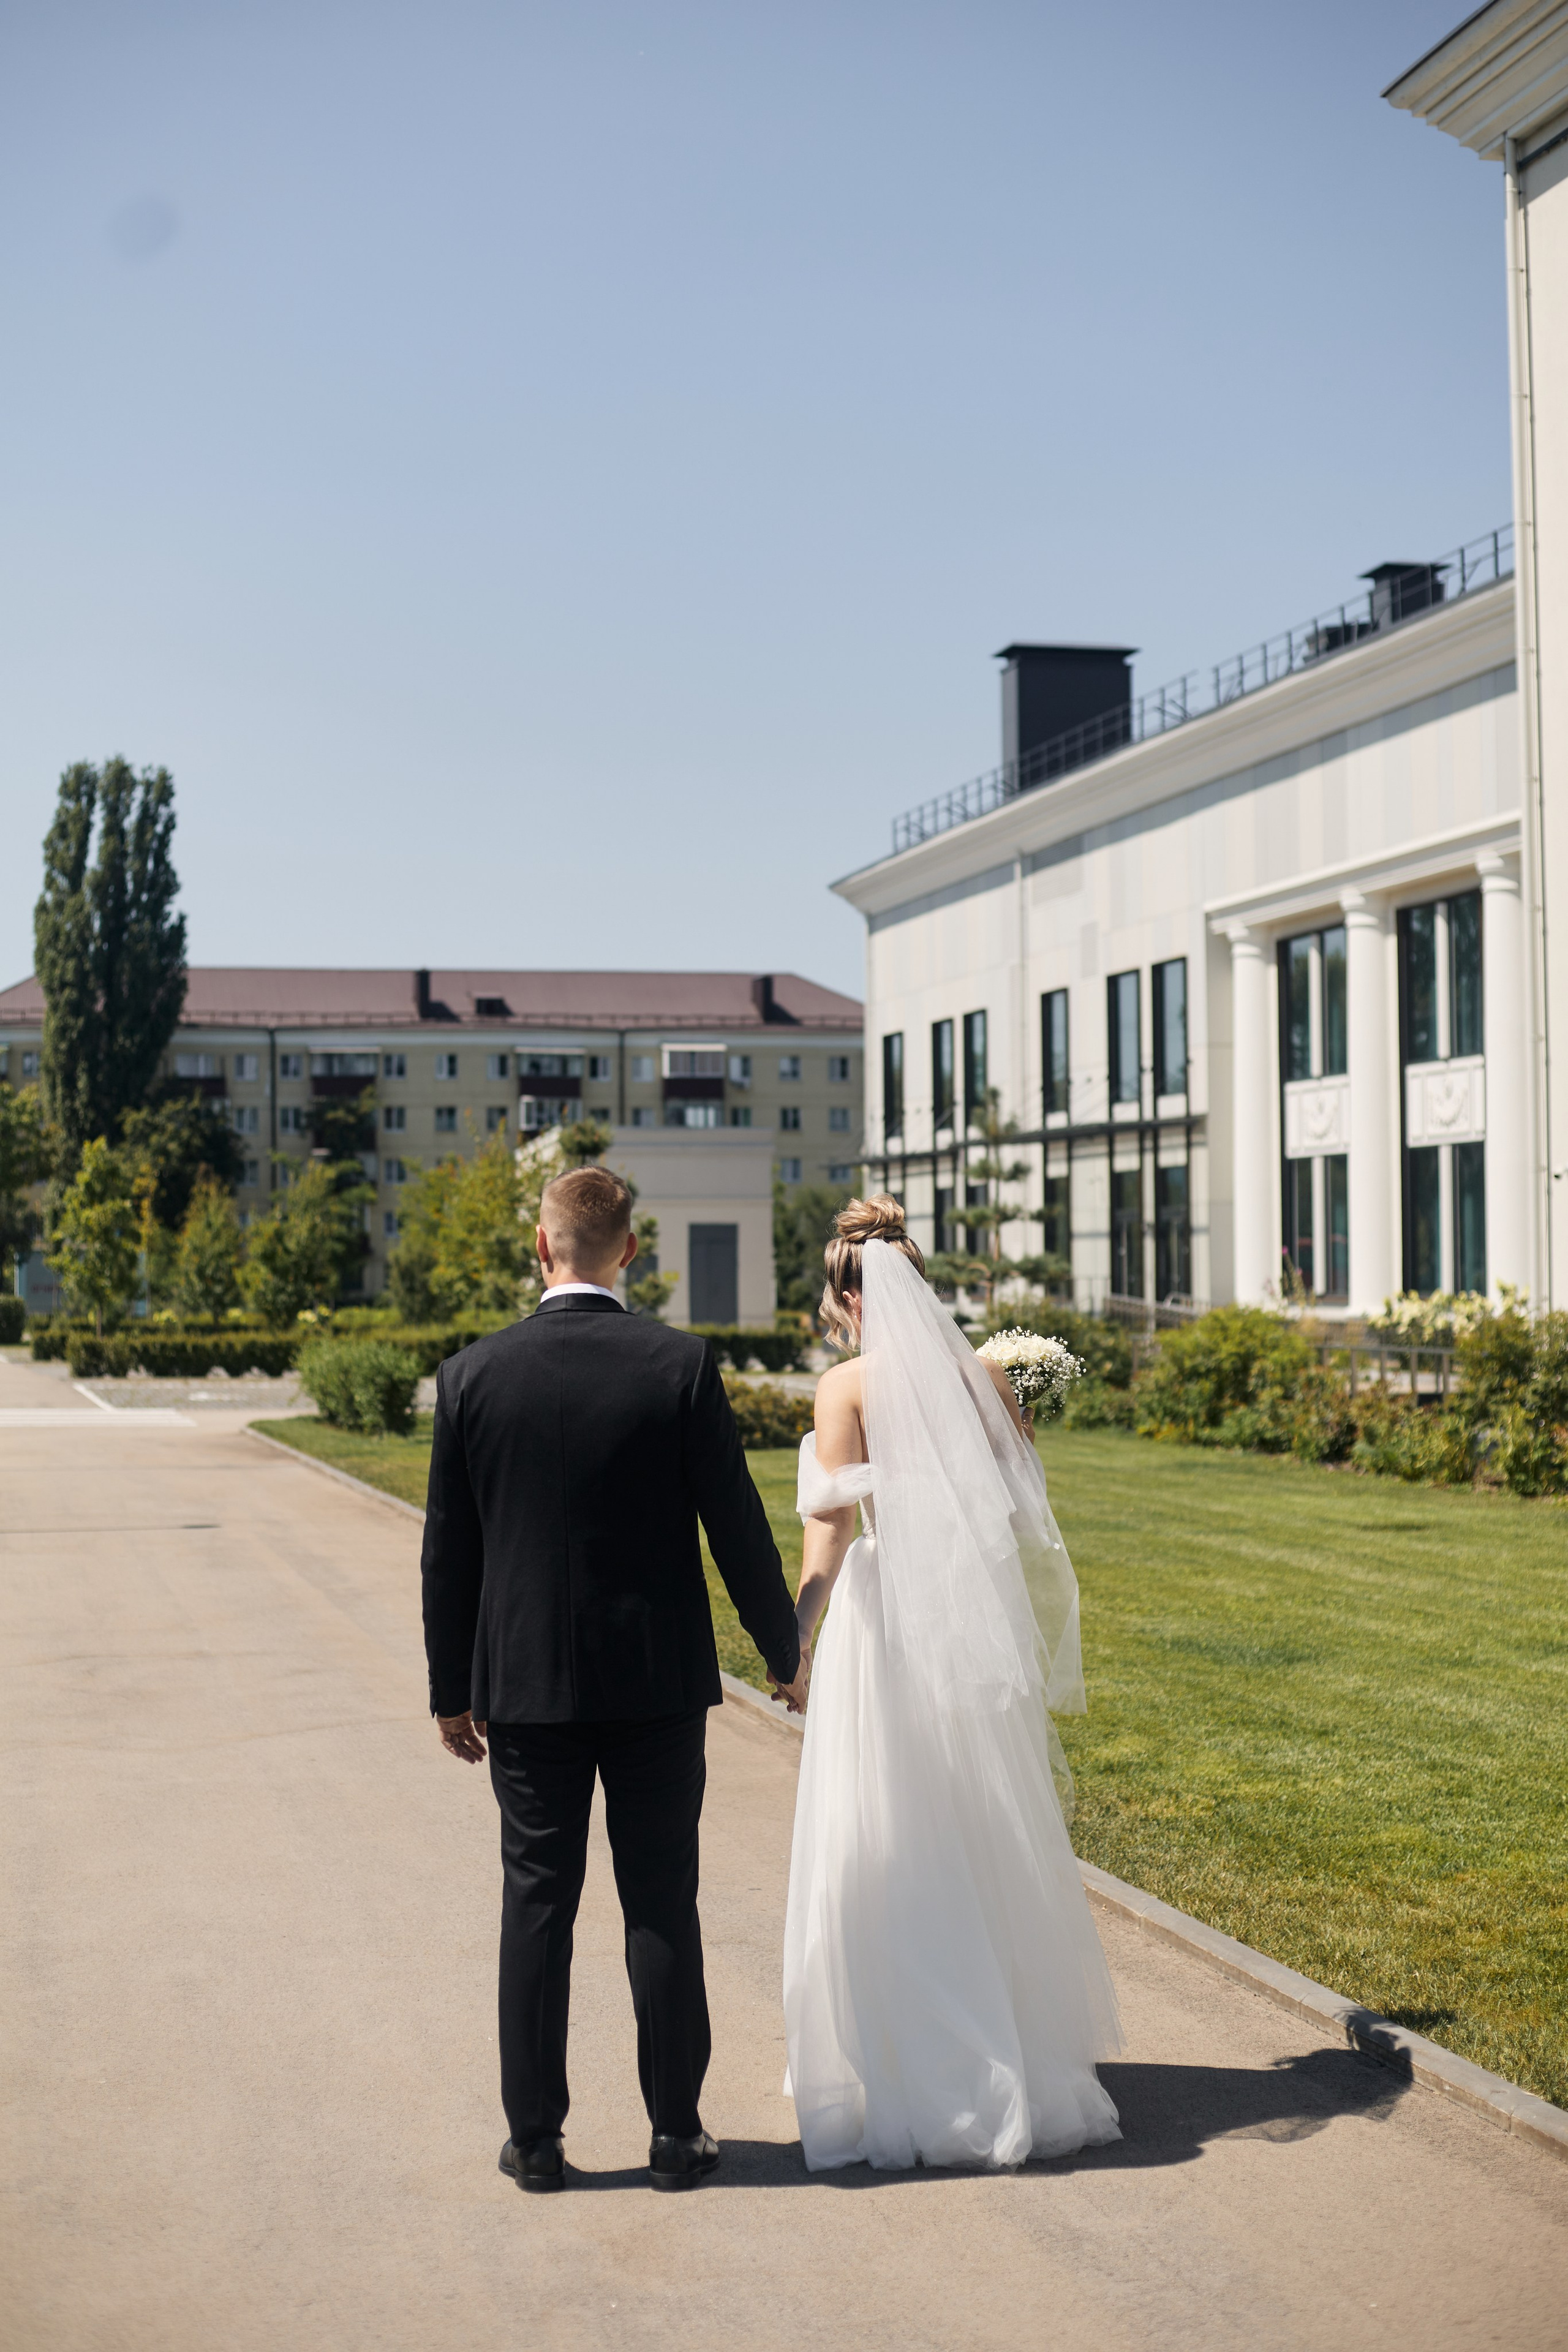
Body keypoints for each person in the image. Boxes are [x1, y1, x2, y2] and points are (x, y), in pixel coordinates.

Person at [421, 1163, 806, 2195]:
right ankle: (677, 2136)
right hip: (656, 1689)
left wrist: (448, 1690)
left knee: (537, 1905)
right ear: (630, 1251)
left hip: (526, 1691)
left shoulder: (472, 1376)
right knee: (660, 1903)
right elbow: (735, 1523)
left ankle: (536, 2143)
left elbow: (448, 1555)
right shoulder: (678, 1366)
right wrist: (783, 1648)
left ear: (540, 1248)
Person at [774, 1196, 1123, 2171]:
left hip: (886, 1621)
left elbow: (831, 1531)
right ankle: (1015, 2053)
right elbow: (1019, 1501)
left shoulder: (844, 1388)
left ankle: (904, 2063)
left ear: (849, 1297)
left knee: (885, 1827)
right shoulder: (982, 1379)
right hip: (968, 1616)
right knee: (977, 1821)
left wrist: (797, 1641)